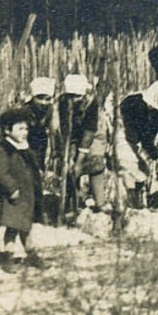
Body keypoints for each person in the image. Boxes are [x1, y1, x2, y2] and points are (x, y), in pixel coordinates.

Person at [0, 106, 41, 267]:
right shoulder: (4, 150)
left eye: (26, 128)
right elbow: (0, 173)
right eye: (20, 129)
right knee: (12, 227)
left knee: (26, 227)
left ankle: (31, 254)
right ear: (7, 130)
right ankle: (8, 256)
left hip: (27, 196)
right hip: (13, 197)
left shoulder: (25, 148)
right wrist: (12, 188)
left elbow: (32, 167)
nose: (24, 132)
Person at [118, 76, 158, 207]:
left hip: (142, 144)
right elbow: (143, 134)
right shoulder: (138, 104)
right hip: (125, 138)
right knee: (128, 169)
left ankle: (139, 201)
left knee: (143, 172)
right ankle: (129, 203)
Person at [58, 73, 115, 217]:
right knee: (68, 167)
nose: (73, 100)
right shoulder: (62, 103)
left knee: (95, 161)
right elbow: (64, 129)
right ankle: (72, 202)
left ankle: (100, 201)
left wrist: (80, 161)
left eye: (77, 96)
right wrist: (69, 156)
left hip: (94, 133)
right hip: (73, 135)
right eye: (70, 96)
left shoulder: (91, 103)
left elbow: (89, 132)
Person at [24, 76, 57, 222]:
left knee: (38, 173)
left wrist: (56, 149)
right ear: (33, 97)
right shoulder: (24, 110)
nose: (44, 103)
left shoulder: (50, 110)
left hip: (40, 143)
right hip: (24, 142)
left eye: (47, 99)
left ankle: (36, 212)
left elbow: (54, 129)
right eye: (40, 98)